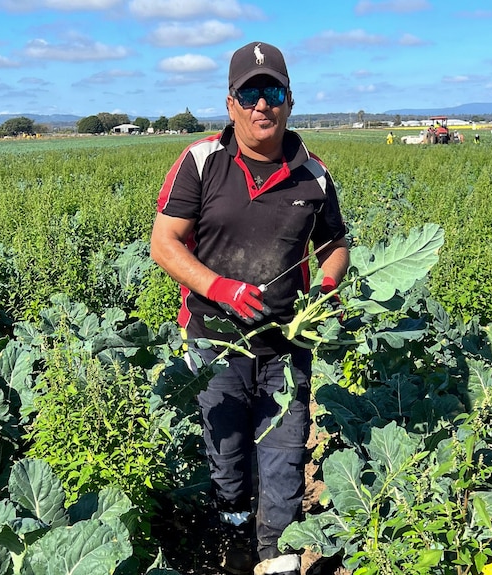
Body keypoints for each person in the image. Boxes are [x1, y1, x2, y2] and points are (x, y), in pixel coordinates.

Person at [150, 41, 350, 575]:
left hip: (288, 344)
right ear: (231, 102)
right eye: (251, 93)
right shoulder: (201, 163)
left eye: (273, 91)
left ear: (289, 100)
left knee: (284, 460)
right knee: (229, 459)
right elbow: (164, 243)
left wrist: (327, 285)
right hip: (216, 342)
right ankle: (235, 544)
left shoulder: (314, 173)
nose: (263, 104)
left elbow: (334, 245)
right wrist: (219, 288)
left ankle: (277, 558)